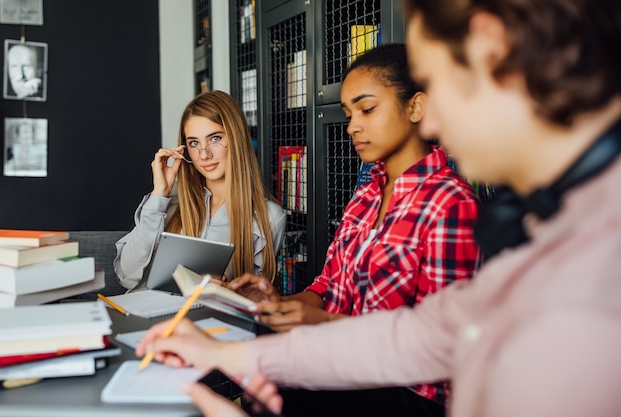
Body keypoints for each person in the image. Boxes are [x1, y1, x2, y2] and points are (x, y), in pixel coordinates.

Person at [137, 0, 621, 416]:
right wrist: (242, 359)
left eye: (432, 82)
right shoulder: (552, 222)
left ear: (489, 49)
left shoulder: (586, 295)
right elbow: (425, 333)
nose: (429, 113)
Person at [229, 43, 482, 416]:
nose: (353, 126)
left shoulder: (450, 202)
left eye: (367, 109)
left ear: (416, 107)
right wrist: (280, 304)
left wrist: (327, 325)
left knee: (273, 391)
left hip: (409, 392)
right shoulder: (367, 190)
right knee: (260, 381)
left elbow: (440, 345)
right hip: (345, 366)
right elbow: (329, 284)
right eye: (348, 113)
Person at [114, 91, 286, 290]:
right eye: (194, 143)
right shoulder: (168, 201)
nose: (204, 154)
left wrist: (226, 290)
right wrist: (159, 194)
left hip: (203, 318)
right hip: (140, 311)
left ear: (236, 138)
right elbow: (126, 276)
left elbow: (255, 299)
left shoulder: (268, 217)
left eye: (215, 138)